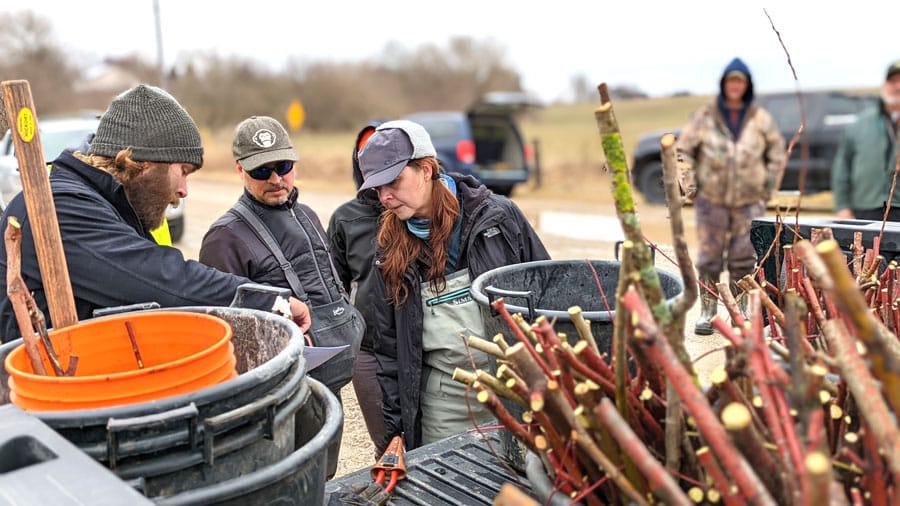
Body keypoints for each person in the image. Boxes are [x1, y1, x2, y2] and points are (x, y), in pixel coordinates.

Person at [0, 84, 311, 342]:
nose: (184, 191)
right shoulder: (59, 209)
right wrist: (269, 301)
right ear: (146, 164)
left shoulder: (103, 204)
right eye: (183, 171)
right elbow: (162, 279)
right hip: (33, 405)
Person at [357, 120, 550, 454]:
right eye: (377, 188)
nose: (385, 196)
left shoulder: (498, 219)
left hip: (516, 397)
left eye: (393, 181)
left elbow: (548, 297)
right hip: (443, 411)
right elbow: (384, 353)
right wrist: (393, 436)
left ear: (427, 168)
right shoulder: (388, 251)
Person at [198, 115, 363, 478]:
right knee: (292, 482)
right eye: (262, 171)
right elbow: (225, 338)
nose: (276, 179)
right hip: (280, 396)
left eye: (283, 166)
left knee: (324, 474)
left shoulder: (307, 214)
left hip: (328, 383)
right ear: (240, 170)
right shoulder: (223, 238)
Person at [676, 57, 786, 335]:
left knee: (743, 258)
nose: (735, 86)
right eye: (730, 81)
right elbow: (683, 152)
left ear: (747, 85)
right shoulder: (705, 117)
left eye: (740, 81)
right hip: (711, 200)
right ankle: (708, 313)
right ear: (724, 84)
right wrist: (690, 187)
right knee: (710, 258)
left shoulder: (760, 119)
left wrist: (767, 188)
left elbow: (776, 155)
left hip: (748, 202)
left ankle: (740, 312)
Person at [326, 121, 386, 455]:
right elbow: (333, 286)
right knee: (388, 444)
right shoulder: (345, 219)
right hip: (370, 351)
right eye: (365, 155)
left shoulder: (420, 214)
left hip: (424, 347)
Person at [831, 60, 900, 221]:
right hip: (867, 208)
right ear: (884, 85)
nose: (898, 87)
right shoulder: (860, 124)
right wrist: (843, 206)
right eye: (893, 81)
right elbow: (842, 166)